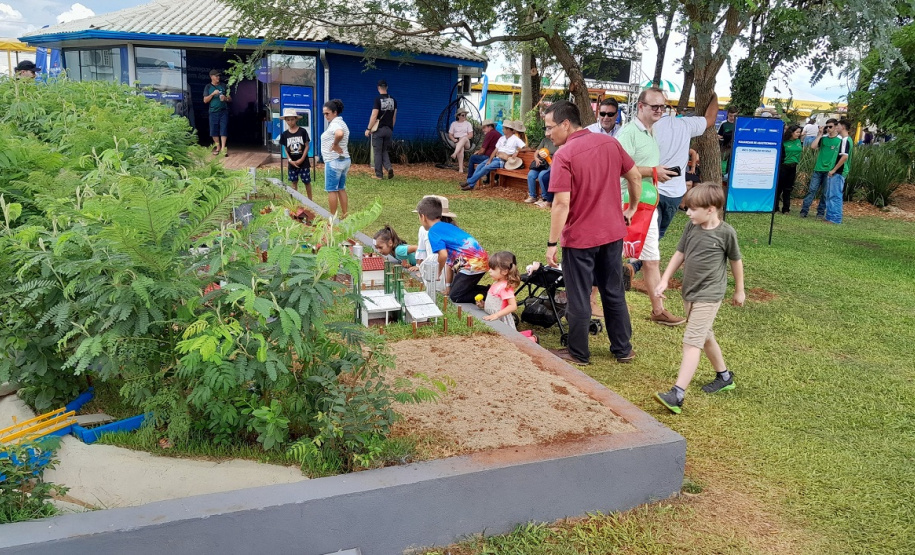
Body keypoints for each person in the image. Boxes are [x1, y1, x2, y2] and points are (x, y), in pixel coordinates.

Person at [543, 100, 642, 366]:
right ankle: (623, 349)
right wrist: (632, 207)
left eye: (550, 127)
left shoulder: (564, 155)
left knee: (579, 294)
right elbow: (635, 176)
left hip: (580, 238)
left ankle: (578, 352)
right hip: (612, 233)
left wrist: (552, 243)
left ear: (566, 124)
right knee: (613, 290)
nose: (548, 133)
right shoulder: (610, 143)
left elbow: (561, 204)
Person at [653, 182, 745, 414]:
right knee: (705, 336)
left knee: (692, 341)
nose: (688, 213)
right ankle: (724, 377)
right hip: (690, 292)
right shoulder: (691, 227)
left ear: (711, 209)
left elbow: (736, 261)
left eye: (693, 209)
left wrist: (739, 290)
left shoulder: (726, 233)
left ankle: (677, 394)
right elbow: (680, 253)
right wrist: (664, 279)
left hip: (710, 295)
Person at [616, 87, 685, 326]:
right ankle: (591, 301)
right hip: (626, 204)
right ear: (640, 106)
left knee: (652, 258)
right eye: (654, 106)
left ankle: (658, 310)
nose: (659, 110)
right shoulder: (629, 133)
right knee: (612, 256)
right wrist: (654, 172)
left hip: (646, 204)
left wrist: (655, 174)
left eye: (662, 107)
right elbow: (619, 167)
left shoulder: (650, 131)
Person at [654, 92, 720, 239]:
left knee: (651, 236)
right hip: (675, 193)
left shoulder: (646, 127)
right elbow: (710, 118)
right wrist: (714, 95)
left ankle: (645, 253)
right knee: (658, 234)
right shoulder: (684, 124)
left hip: (653, 189)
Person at [416, 196, 489, 303]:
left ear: (423, 217)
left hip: (471, 264)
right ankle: (491, 291)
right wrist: (448, 285)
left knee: (455, 296)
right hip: (480, 260)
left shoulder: (433, 232)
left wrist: (438, 272)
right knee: (457, 290)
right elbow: (449, 261)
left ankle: (491, 294)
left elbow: (443, 255)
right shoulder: (446, 226)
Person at [461, 120, 525, 191]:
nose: (502, 130)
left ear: (508, 130)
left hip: (503, 161)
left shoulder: (515, 139)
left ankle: (469, 182)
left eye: (504, 128)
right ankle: (471, 185)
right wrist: (490, 160)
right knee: (479, 166)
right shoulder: (502, 138)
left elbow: (526, 148)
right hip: (495, 158)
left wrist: (517, 151)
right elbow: (495, 150)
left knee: (486, 168)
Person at [413, 195, 457, 291]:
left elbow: (423, 250)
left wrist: (420, 266)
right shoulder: (451, 229)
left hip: (437, 268)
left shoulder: (427, 230)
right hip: (449, 271)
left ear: (423, 216)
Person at [800, 118, 840, 219]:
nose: (828, 129)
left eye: (830, 127)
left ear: (836, 127)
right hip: (818, 169)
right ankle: (804, 211)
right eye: (827, 127)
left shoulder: (839, 140)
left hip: (829, 170)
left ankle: (820, 213)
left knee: (825, 193)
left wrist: (834, 169)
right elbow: (813, 147)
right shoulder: (823, 139)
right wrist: (819, 135)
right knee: (812, 190)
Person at [320, 99, 351, 218]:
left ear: (335, 112)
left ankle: (332, 218)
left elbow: (339, 134)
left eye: (327, 113)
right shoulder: (342, 123)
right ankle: (345, 214)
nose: (325, 116)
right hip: (344, 160)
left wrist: (335, 144)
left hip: (334, 161)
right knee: (341, 188)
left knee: (332, 190)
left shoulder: (335, 124)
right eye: (324, 114)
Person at [475, 251, 520, 329]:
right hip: (492, 318)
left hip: (500, 320)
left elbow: (513, 306)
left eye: (492, 269)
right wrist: (484, 305)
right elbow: (496, 303)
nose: (489, 271)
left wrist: (496, 315)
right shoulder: (496, 283)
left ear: (504, 271)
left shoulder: (505, 287)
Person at [364, 79, 397, 180]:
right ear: (387, 87)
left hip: (379, 130)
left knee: (377, 152)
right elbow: (394, 117)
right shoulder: (393, 100)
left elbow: (374, 115)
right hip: (389, 129)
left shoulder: (377, 99)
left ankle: (379, 175)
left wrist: (368, 128)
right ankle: (389, 167)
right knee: (384, 150)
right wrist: (391, 128)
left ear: (378, 88)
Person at [279, 108, 312, 199]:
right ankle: (294, 200)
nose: (290, 122)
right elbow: (285, 148)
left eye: (292, 119)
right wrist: (290, 160)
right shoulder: (285, 134)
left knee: (307, 181)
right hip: (292, 163)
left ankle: (310, 200)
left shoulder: (302, 131)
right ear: (285, 120)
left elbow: (307, 146)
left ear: (296, 119)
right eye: (288, 120)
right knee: (294, 182)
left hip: (304, 162)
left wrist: (302, 159)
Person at [825, 119, 852, 224]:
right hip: (839, 171)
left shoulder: (845, 140)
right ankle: (830, 217)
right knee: (831, 194)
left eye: (838, 126)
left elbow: (844, 157)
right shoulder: (847, 139)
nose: (836, 127)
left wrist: (834, 169)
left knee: (835, 195)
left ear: (843, 127)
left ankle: (835, 219)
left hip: (839, 172)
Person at [203, 69, 231, 156]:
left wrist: (225, 98)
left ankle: (223, 148)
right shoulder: (208, 87)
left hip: (223, 111)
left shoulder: (224, 86)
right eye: (216, 76)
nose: (218, 77)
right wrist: (212, 94)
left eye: (219, 76)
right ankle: (218, 147)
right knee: (213, 130)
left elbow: (230, 99)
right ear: (211, 77)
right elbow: (205, 100)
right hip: (213, 111)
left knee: (223, 129)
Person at [775, 125, 802, 214]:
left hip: (793, 167)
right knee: (779, 188)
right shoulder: (784, 142)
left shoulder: (798, 141)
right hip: (784, 167)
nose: (799, 134)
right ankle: (776, 208)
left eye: (799, 132)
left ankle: (786, 209)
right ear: (791, 132)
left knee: (788, 189)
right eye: (797, 132)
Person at [524, 135, 557, 208]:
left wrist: (549, 159)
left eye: (549, 129)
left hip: (551, 163)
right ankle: (532, 196)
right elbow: (536, 152)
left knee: (542, 175)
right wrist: (536, 158)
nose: (547, 132)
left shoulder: (558, 140)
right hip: (541, 162)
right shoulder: (545, 140)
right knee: (531, 175)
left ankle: (544, 197)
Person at [448, 109, 474, 174]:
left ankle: (454, 153)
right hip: (457, 140)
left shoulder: (468, 124)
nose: (464, 116)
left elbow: (471, 135)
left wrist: (463, 137)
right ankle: (461, 168)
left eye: (465, 115)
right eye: (463, 115)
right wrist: (454, 139)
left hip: (466, 141)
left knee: (464, 138)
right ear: (458, 116)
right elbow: (450, 134)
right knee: (460, 147)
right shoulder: (454, 124)